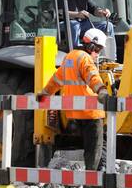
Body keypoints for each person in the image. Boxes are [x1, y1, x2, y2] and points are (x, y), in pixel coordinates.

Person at [38, 28, 109, 170]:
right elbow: (93, 77)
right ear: (91, 46)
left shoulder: (69, 57)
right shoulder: (85, 58)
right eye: (98, 50)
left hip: (74, 113)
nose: (98, 54)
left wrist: (44, 94)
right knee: (95, 151)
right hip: (91, 113)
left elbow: (56, 80)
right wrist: (102, 91)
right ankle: (93, 184)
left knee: (89, 149)